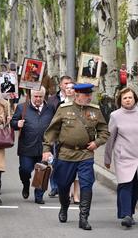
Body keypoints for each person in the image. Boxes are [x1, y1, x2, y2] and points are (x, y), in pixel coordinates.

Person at [42, 83, 109, 230]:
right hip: (66, 154)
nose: (89, 97)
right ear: (77, 95)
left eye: (90, 94)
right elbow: (52, 131)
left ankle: (83, 218)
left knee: (86, 184)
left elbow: (104, 131)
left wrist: (97, 143)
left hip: (85, 154)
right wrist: (47, 148)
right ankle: (64, 207)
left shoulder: (95, 111)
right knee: (63, 185)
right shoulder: (64, 109)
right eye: (86, 95)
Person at [11, 86, 55, 204]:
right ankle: (25, 184)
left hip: (44, 147)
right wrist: (17, 123)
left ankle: (39, 195)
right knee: (25, 170)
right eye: (36, 96)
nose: (38, 99)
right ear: (31, 96)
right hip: (27, 146)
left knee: (43, 171)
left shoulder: (50, 108)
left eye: (40, 96)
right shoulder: (22, 108)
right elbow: (13, 122)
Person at [104, 87, 138, 228]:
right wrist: (107, 158)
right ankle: (126, 215)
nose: (128, 100)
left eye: (130, 97)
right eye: (125, 98)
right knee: (125, 184)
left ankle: (129, 212)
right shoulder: (115, 116)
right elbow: (110, 138)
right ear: (120, 100)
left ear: (135, 98)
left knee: (135, 186)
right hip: (124, 156)